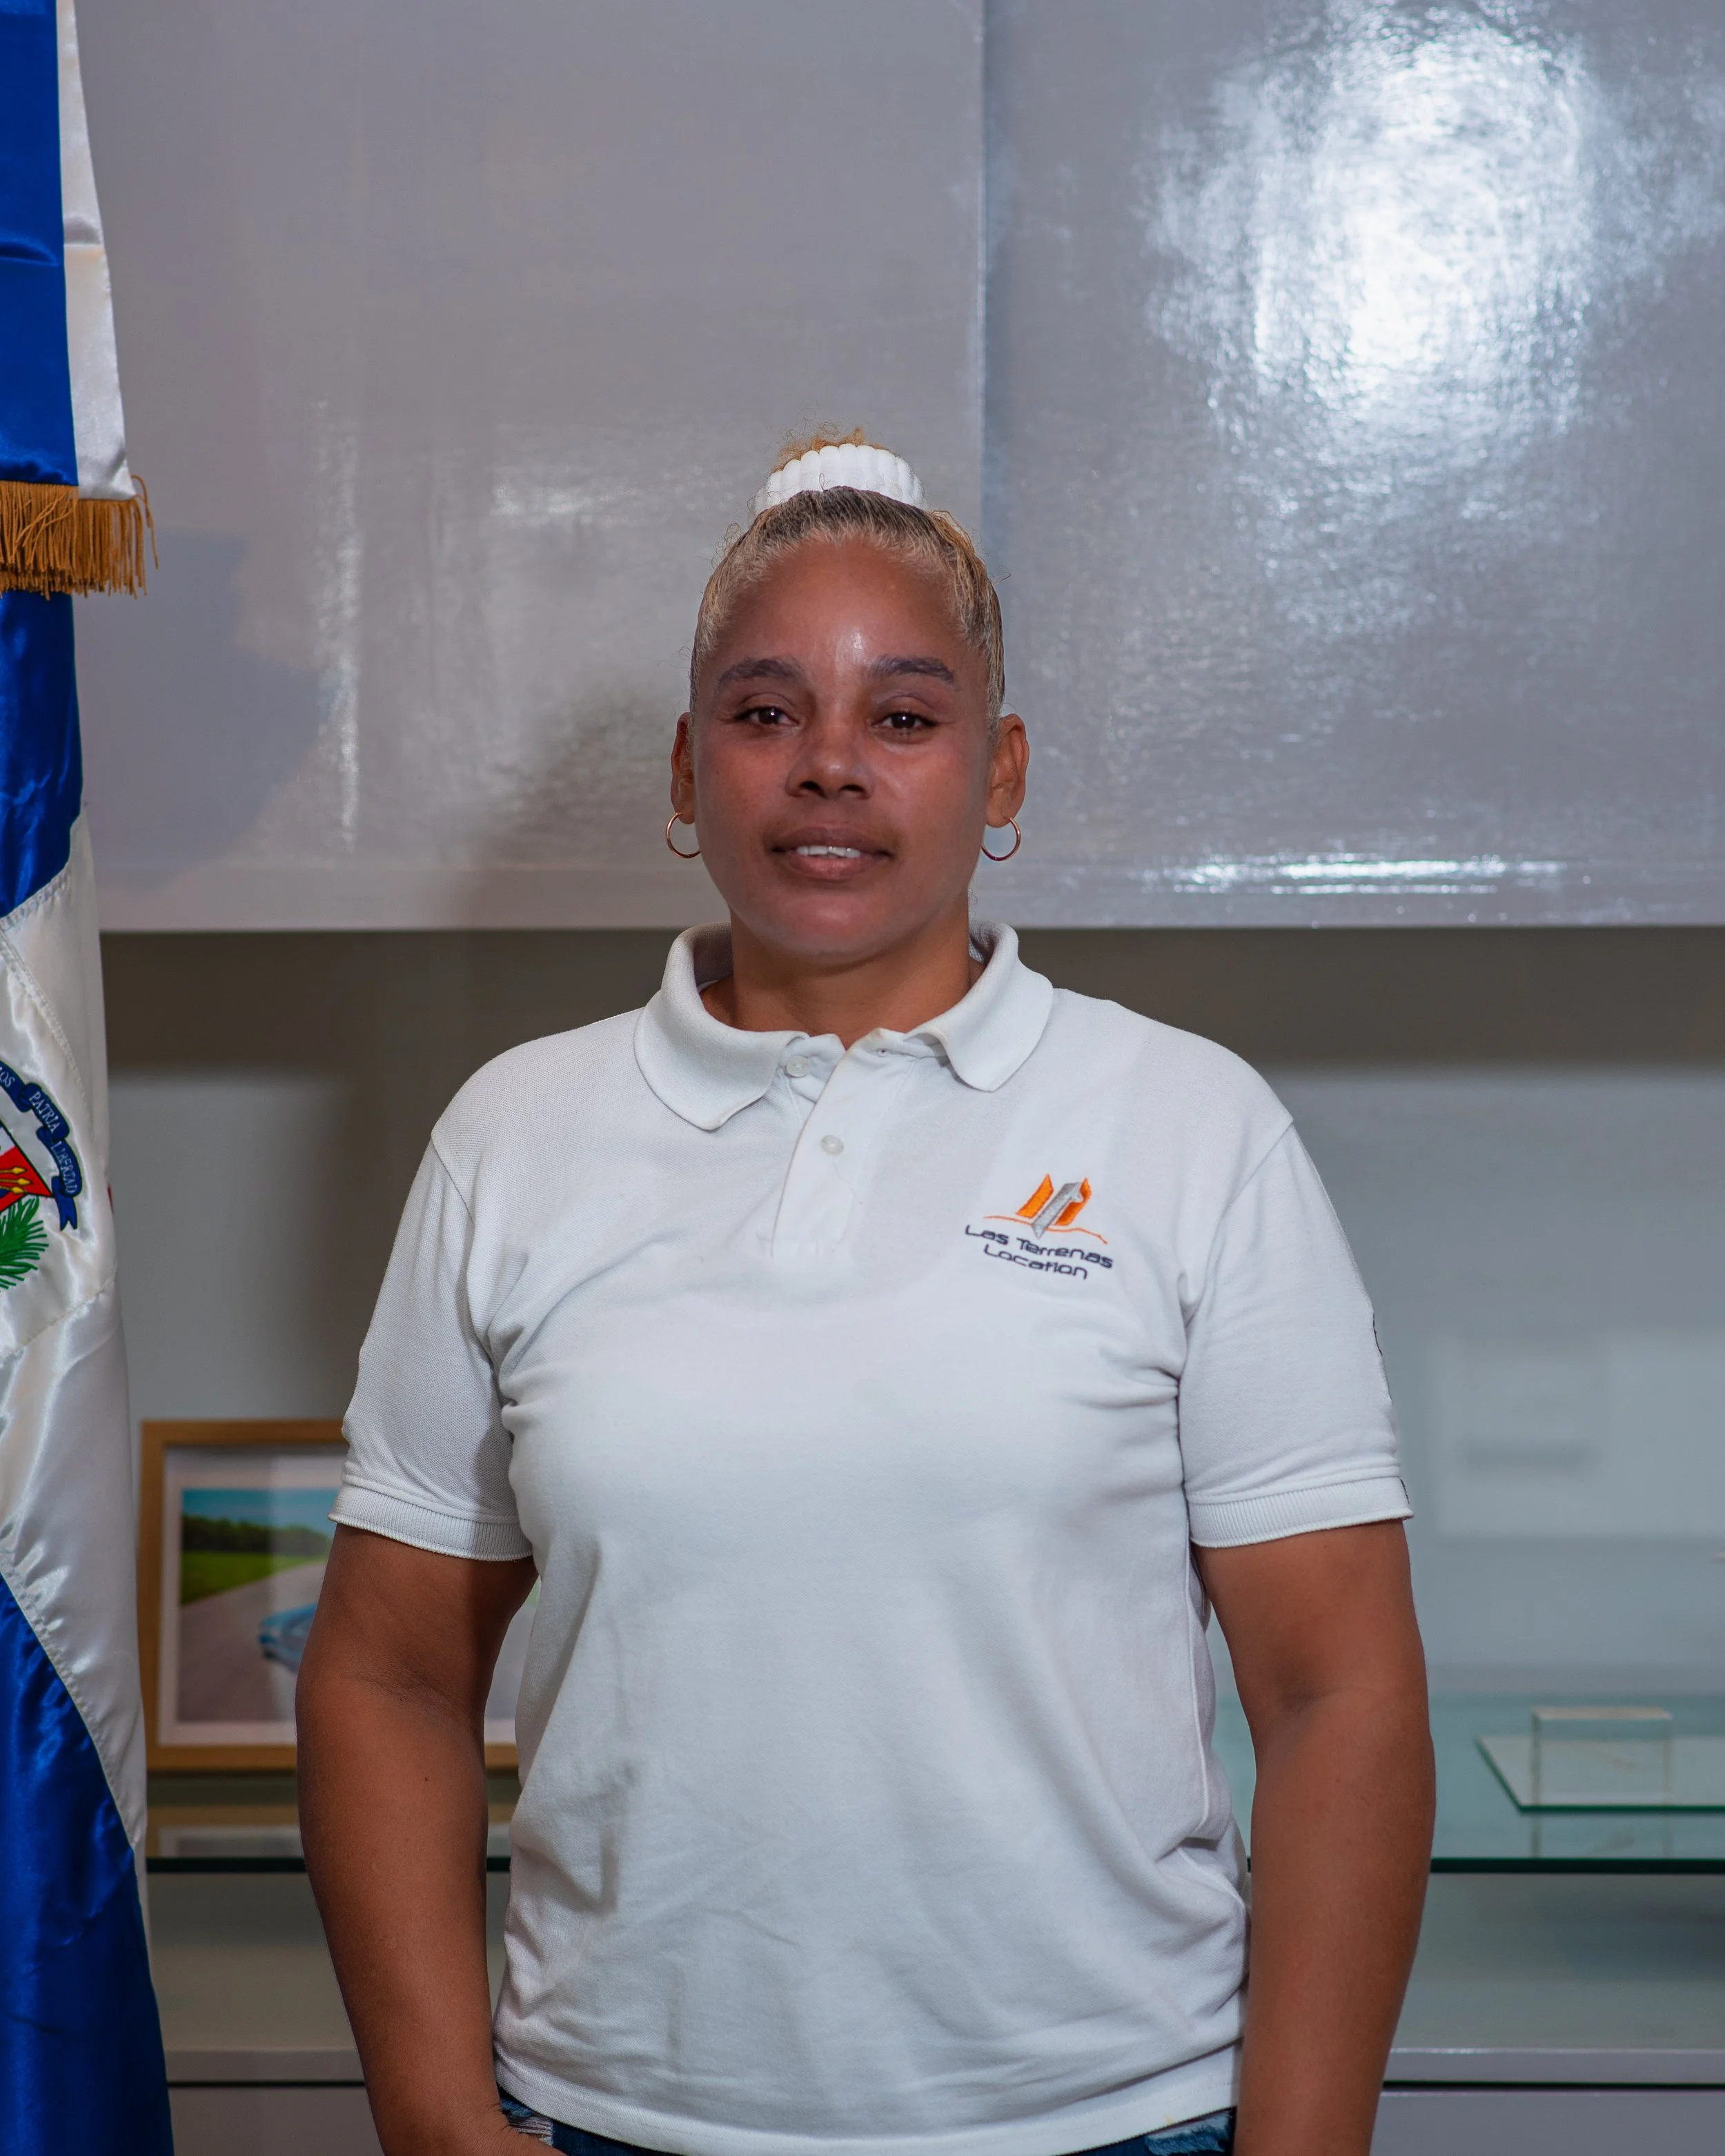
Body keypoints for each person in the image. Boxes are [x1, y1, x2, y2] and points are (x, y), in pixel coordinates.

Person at [298, 436, 1435, 2156]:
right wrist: (440, 2121)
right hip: (606, 2116)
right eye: (765, 712)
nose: (828, 764)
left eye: (902, 715)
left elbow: (1336, 1690)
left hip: (1111, 2117)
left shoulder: (1189, 1128)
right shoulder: (515, 1137)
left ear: (999, 769)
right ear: (686, 769)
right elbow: (387, 1678)